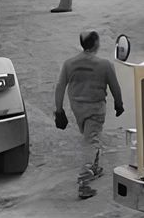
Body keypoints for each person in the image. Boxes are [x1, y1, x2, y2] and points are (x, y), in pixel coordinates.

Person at [53, 30, 123, 199]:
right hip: (95, 109)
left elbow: (60, 87)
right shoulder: (104, 65)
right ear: (96, 44)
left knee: (90, 136)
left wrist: (59, 109)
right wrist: (119, 105)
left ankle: (95, 168)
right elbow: (115, 87)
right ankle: (84, 181)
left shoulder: (69, 64)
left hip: (77, 108)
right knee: (91, 141)